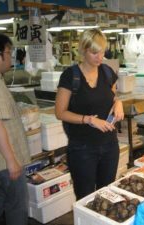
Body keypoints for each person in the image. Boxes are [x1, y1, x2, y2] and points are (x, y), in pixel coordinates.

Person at [55, 29, 124, 200]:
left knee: (106, 195)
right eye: (94, 52)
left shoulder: (107, 72)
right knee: (86, 198)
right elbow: (60, 112)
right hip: (82, 149)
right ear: (83, 50)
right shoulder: (70, 76)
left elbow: (113, 96)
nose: (100, 57)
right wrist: (89, 120)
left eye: (102, 51)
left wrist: (119, 103)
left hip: (109, 145)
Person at [0, 32, 30, 225]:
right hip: (4, 162)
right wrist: (12, 161)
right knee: (17, 206)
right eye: (8, 51)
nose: (11, 56)